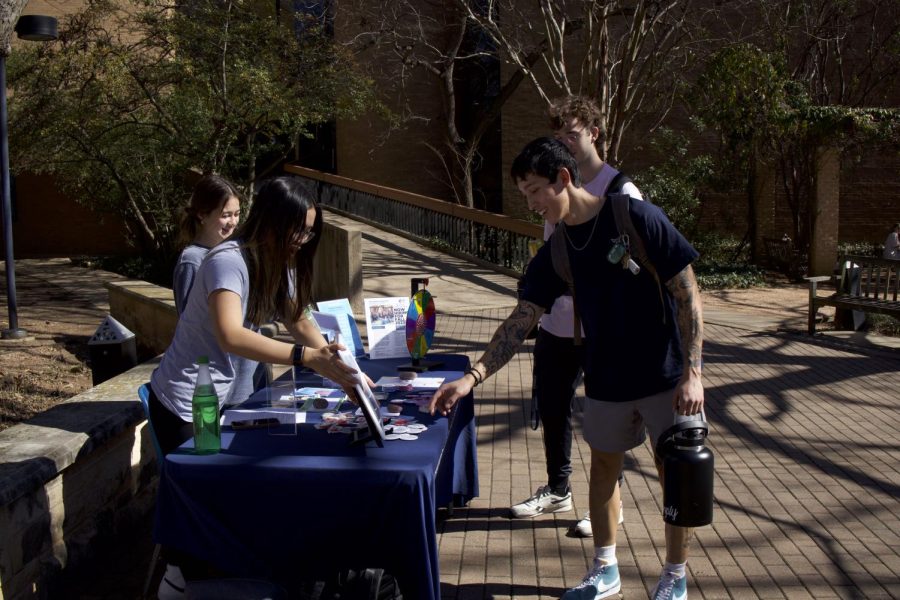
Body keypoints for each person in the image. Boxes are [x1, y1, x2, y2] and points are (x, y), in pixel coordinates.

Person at [431, 137, 704, 600]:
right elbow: (522, 319)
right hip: (607, 377)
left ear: (563, 178)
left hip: (666, 374)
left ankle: (675, 575)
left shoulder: (635, 217)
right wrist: (472, 376)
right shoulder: (559, 248)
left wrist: (693, 372)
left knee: (674, 476)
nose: (532, 203)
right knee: (602, 468)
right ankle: (605, 571)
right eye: (525, 194)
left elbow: (687, 293)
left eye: (535, 190)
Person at [510, 96, 642, 539]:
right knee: (552, 408)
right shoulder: (551, 187)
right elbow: (553, 253)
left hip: (604, 329)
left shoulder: (620, 190)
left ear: (593, 133)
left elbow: (638, 269)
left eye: (572, 131)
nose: (565, 139)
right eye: (558, 134)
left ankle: (610, 503)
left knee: (607, 417)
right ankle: (558, 488)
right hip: (557, 324)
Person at [172, 174, 242, 315]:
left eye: (237, 214)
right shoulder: (192, 261)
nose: (233, 222)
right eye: (226, 215)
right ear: (202, 215)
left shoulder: (236, 250)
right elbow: (187, 319)